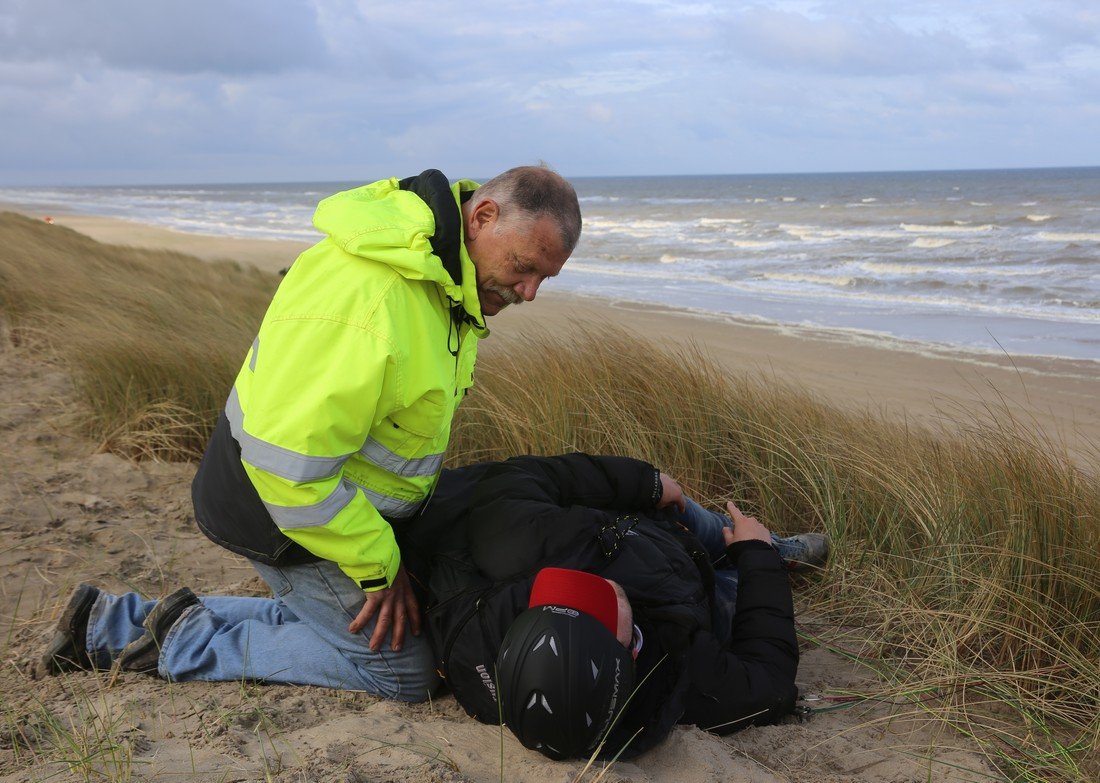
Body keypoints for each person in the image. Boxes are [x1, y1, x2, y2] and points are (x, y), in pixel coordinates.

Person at [40, 166, 581, 701]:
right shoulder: (371, 300)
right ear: (483, 217)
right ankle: (170, 643)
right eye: (523, 267)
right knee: (407, 672)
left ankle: (112, 621)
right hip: (280, 513)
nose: (529, 292)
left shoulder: (441, 278)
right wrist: (380, 570)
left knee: (356, 622)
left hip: (329, 509)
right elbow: (290, 469)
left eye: (544, 279)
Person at [410, 452, 828, 760]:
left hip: (639, 532)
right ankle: (764, 546)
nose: (598, 585)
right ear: (631, 655)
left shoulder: (514, 556)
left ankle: (735, 537)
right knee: (742, 581)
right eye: (599, 606)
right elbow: (771, 684)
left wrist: (644, 482)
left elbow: (513, 480)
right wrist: (756, 556)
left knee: (678, 506)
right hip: (696, 606)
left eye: (563, 598)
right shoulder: (677, 678)